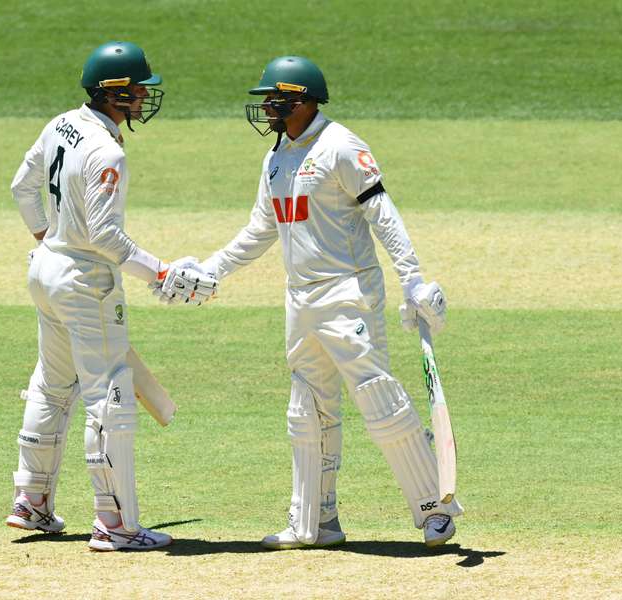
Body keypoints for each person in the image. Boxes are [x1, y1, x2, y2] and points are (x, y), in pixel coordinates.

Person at [194, 56, 463, 549]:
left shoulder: (341, 145)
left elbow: (383, 213)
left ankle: (435, 510)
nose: (267, 109)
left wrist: (413, 281)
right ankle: (314, 522)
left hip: (348, 293)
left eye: (273, 100)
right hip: (300, 298)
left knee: (378, 399)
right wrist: (213, 270)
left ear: (301, 100)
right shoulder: (275, 158)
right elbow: (260, 230)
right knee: (307, 409)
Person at [5, 41, 217, 552]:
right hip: (85, 283)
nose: (146, 95)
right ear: (116, 91)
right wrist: (159, 271)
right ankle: (116, 525)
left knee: (52, 385)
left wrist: (47, 238)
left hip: (47, 271)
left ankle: (31, 502)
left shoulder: (61, 123)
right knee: (109, 396)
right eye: (139, 87)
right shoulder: (108, 151)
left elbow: (21, 187)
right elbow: (103, 235)